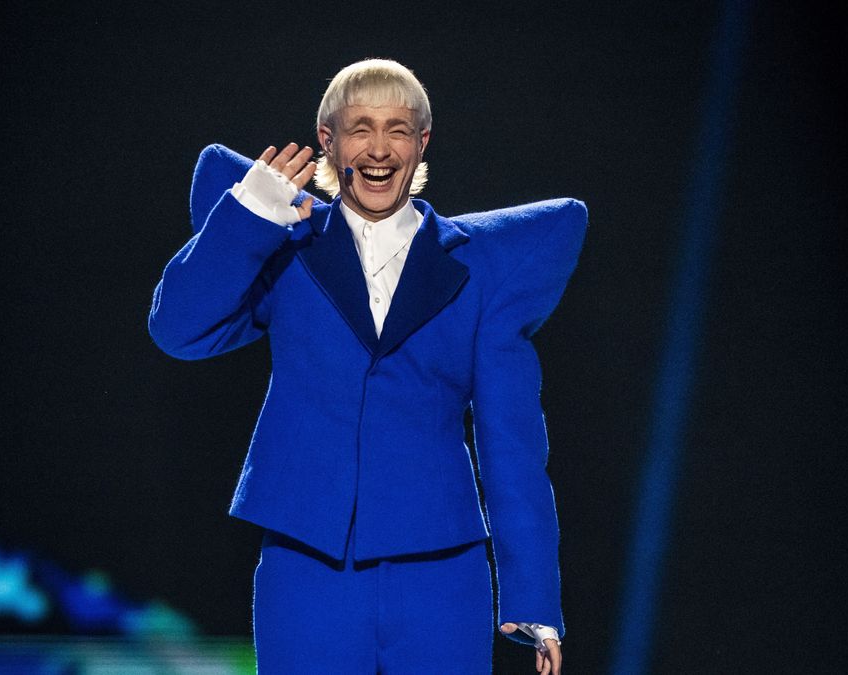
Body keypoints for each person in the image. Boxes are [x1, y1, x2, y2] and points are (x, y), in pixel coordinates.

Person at [149, 58, 586, 674]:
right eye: (360, 128)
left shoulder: (476, 270)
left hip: (442, 570)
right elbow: (178, 331)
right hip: (308, 563)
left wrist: (533, 597)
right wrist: (250, 213)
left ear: (421, 143)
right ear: (328, 140)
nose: (379, 148)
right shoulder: (288, 246)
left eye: (397, 129)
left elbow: (511, 443)